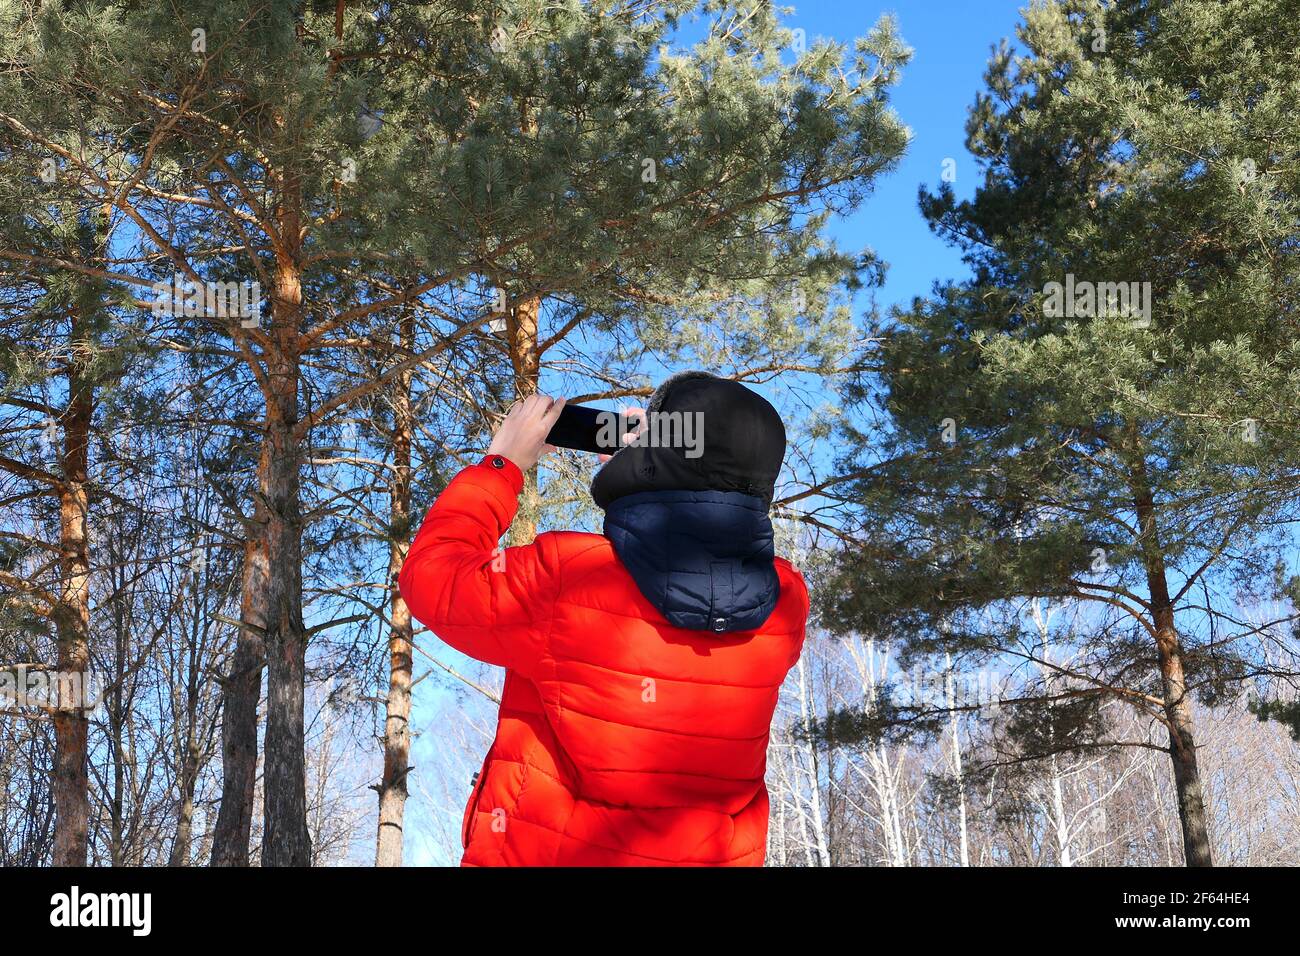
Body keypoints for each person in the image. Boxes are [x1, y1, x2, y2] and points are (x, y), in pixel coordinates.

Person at [399, 371, 809, 866]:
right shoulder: (785, 603)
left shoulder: (567, 579)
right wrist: (650, 459)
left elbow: (432, 579)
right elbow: (682, 562)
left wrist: (502, 463)